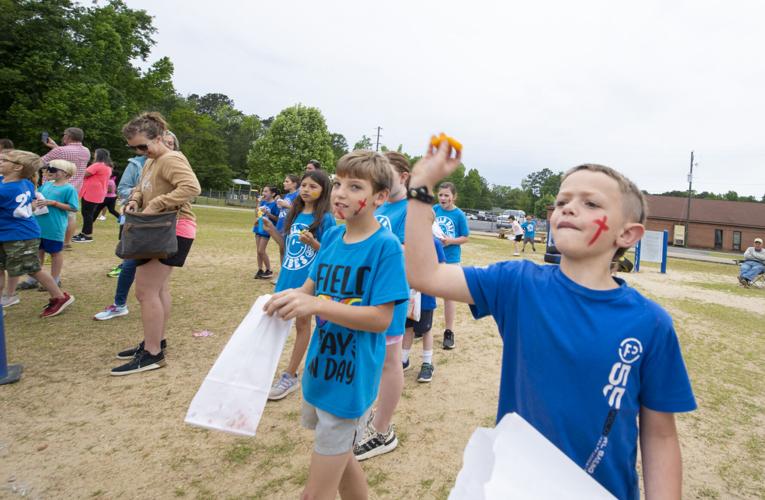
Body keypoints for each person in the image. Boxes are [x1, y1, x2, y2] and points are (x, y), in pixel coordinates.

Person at [405, 143, 696, 499]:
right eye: (561, 202)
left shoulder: (651, 323)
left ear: (627, 234)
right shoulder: (517, 283)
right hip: (514, 486)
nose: (568, 208)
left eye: (590, 203)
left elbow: (660, 434)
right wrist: (420, 191)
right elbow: (424, 274)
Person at [264, 150, 408, 500]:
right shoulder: (330, 239)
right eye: (339, 183)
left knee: (314, 494)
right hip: (321, 370)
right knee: (343, 464)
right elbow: (307, 289)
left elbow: (381, 319)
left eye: (354, 186)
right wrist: (282, 301)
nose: (341, 193)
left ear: (379, 198)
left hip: (351, 379)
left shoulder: (385, 247)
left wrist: (316, 304)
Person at [111, 112, 201, 376]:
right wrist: (135, 200)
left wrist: (157, 204)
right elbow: (142, 187)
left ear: (159, 138)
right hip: (161, 229)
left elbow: (191, 187)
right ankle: (155, 342)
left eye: (143, 146)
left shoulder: (170, 158)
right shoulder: (151, 161)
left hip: (171, 229)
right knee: (158, 290)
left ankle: (152, 354)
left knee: (145, 292)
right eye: (134, 148)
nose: (140, 151)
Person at [352, 151, 410, 461]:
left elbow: (405, 250)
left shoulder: (410, 209)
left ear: (403, 177)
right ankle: (367, 417)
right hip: (363, 293)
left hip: (387, 292)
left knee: (390, 360)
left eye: (385, 172)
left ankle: (383, 430)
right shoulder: (379, 203)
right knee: (370, 357)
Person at [265, 170, 335, 400]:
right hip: (288, 277)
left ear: (323, 191)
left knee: (302, 325)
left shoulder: (326, 219)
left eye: (312, 186)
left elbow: (332, 254)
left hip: (309, 283)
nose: (306, 189)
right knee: (275, 322)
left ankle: (290, 375)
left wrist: (314, 242)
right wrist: (272, 231)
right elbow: (286, 248)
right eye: (303, 185)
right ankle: (269, 370)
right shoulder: (293, 215)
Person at [0, 150, 74, 317]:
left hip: (19, 236)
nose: (0, 161)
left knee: (33, 268)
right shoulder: (22, 182)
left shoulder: (6, 190)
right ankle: (7, 298)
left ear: (18, 167)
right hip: (8, 235)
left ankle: (59, 297)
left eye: (4, 160)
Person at [93, 153, 147, 319]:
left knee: (156, 269)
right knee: (129, 262)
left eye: (170, 143)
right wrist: (142, 193)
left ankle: (156, 303)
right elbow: (123, 190)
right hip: (136, 219)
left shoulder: (174, 163)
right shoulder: (136, 164)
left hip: (162, 223)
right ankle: (120, 304)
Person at [19, 160, 79, 292]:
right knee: (37, 252)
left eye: (52, 169)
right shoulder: (46, 185)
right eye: (47, 169)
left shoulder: (69, 189)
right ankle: (34, 279)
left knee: (55, 253)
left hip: (54, 227)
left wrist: (53, 203)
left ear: (65, 173)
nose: (47, 172)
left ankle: (54, 280)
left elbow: (74, 207)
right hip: (38, 226)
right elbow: (35, 196)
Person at [401, 224, 445, 384]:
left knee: (426, 329)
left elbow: (441, 268)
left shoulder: (435, 243)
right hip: (408, 295)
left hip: (425, 296)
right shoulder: (406, 242)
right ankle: (403, 359)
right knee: (407, 328)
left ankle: (427, 363)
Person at [433, 181, 469, 349]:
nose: (443, 198)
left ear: (453, 197)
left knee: (449, 296)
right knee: (427, 293)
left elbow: (465, 237)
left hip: (451, 259)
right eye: (440, 194)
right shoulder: (434, 210)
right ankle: (422, 325)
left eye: (446, 195)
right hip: (432, 257)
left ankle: (449, 331)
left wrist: (450, 241)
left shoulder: (459, 214)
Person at [41, 127, 90, 247]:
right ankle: (67, 241)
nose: (63, 137)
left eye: (64, 135)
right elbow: (69, 156)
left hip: (56, 185)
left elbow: (41, 161)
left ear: (68, 136)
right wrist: (55, 147)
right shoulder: (86, 151)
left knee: (52, 215)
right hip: (74, 186)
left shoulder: (61, 151)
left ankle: (50, 238)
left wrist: (55, 150)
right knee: (70, 216)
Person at [73, 148, 112, 242]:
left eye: (95, 154)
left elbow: (84, 174)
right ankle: (83, 233)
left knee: (87, 214)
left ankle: (87, 235)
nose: (94, 155)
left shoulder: (97, 165)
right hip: (98, 192)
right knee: (88, 214)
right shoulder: (108, 167)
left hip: (91, 193)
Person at [253, 186, 279, 279]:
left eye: (266, 191)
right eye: (263, 191)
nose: (264, 193)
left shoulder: (275, 204)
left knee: (261, 250)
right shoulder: (263, 202)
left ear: (272, 194)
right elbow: (257, 214)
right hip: (259, 226)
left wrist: (268, 213)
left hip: (267, 228)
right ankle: (260, 269)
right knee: (258, 251)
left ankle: (269, 270)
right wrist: (258, 204)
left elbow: (277, 218)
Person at [275, 174, 300, 265]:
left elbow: (298, 209)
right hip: (281, 225)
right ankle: (282, 274)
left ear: (294, 184)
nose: (284, 183)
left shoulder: (297, 195)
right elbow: (283, 211)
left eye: (287, 181)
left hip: (289, 227)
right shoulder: (287, 195)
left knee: (287, 251)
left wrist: (287, 205)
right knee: (281, 250)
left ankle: (285, 274)